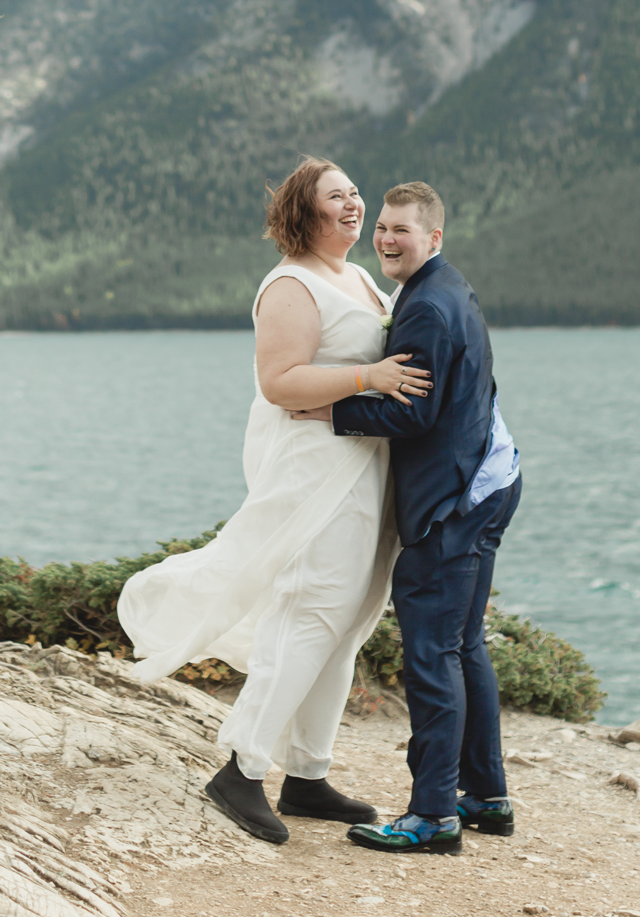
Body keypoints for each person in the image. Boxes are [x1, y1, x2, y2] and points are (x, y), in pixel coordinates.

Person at [116, 157, 430, 844]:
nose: (352, 206)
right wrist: (368, 376)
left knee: (349, 621)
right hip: (316, 471)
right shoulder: (289, 283)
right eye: (334, 198)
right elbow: (280, 383)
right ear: (302, 212)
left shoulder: (358, 278)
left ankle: (309, 775)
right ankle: (242, 769)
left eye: (355, 194)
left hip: (366, 468)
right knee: (310, 612)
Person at [301, 180, 522, 856]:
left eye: (403, 229)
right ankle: (484, 796)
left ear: (434, 237)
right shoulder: (446, 287)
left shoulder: (425, 308)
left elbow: (413, 411)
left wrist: (328, 409)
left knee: (431, 653)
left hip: (454, 498)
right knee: (464, 646)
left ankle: (433, 816)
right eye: (383, 228)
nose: (388, 239)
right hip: (493, 477)